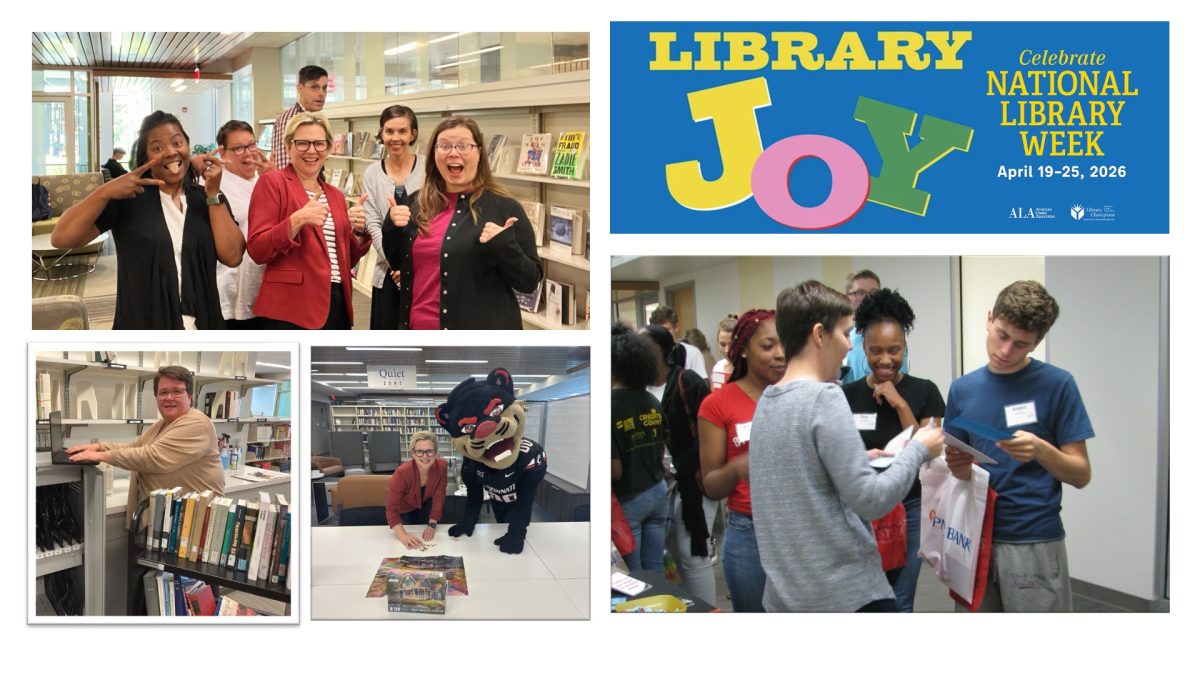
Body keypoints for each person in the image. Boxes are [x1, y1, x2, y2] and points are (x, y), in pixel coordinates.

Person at [750, 281, 943, 612]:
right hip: (842, 595)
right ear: (819, 335)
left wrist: (856, 459)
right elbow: (871, 501)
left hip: (788, 596)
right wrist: (917, 449)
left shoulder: (768, 399)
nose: (848, 347)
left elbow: (798, 475)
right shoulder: (826, 396)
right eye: (845, 334)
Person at [944, 280, 1093, 612]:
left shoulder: (1058, 385)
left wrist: (1041, 450)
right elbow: (956, 466)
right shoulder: (963, 389)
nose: (1006, 351)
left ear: (1037, 342)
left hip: (1033, 539)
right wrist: (957, 466)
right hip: (973, 536)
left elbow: (1081, 474)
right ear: (989, 318)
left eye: (1021, 344)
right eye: (1001, 335)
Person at [52, 111, 245, 329]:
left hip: (204, 322)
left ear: (188, 147)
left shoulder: (206, 198)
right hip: (145, 324)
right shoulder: (129, 199)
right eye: (157, 148)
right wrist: (104, 191)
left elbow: (233, 256)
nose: (171, 152)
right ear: (146, 157)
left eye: (177, 142)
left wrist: (213, 194)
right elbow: (62, 237)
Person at [841, 288, 945, 612]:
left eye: (894, 350)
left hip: (909, 507)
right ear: (863, 349)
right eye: (876, 351)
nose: (885, 359)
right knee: (862, 599)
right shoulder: (845, 395)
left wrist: (899, 403)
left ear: (905, 347)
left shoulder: (924, 391)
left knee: (900, 600)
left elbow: (930, 449)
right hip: (861, 510)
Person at [383, 116, 541, 329]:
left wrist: (504, 245)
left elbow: (529, 281)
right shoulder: (416, 203)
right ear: (434, 154)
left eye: (464, 146)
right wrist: (392, 226)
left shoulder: (504, 208)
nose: (453, 153)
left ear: (479, 153)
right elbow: (397, 262)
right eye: (444, 146)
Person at [247, 112, 371, 329]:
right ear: (289, 146)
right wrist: (296, 220)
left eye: (319, 144)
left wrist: (359, 232)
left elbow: (345, 260)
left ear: (329, 148)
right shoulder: (273, 183)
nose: (312, 151)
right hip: (292, 306)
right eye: (302, 143)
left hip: (337, 302)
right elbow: (257, 249)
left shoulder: (336, 195)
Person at [696, 309, 782, 612]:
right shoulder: (717, 404)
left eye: (785, 344)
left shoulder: (797, 393)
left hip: (798, 528)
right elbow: (712, 486)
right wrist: (738, 468)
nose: (780, 355)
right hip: (749, 533)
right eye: (768, 346)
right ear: (743, 349)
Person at [66, 366, 224, 527]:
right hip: (170, 520)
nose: (169, 397)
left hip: (195, 525)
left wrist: (101, 456)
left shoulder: (197, 423)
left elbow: (153, 457)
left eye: (177, 391)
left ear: (190, 396)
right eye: (163, 392)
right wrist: (99, 447)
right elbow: (134, 446)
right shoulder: (162, 424)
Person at [643, 325, 716, 606]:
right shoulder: (638, 388)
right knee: (672, 550)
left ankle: (707, 612)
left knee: (691, 552)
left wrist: (676, 468)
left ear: (661, 351)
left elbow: (709, 433)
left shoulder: (688, 381)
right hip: (659, 485)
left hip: (692, 481)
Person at [361, 105, 426, 329]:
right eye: (389, 131)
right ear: (381, 133)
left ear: (413, 134)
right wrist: (396, 265)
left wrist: (411, 267)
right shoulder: (372, 173)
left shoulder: (429, 167)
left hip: (424, 273)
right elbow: (373, 224)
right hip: (388, 273)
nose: (395, 137)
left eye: (402, 131)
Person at [612, 323, 670, 573]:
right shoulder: (653, 402)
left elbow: (615, 472)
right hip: (658, 492)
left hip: (630, 499)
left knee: (635, 577)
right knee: (655, 569)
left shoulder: (610, 406)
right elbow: (659, 452)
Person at [213, 120, 273, 329]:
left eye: (251, 145)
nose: (248, 153)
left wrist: (273, 180)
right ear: (222, 153)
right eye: (238, 148)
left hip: (265, 287)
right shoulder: (214, 184)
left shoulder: (265, 178)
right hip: (231, 290)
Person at [843, 269, 909, 383]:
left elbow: (901, 382)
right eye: (860, 292)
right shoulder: (845, 339)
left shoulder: (894, 337)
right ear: (848, 297)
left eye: (873, 293)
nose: (868, 298)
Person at [386, 431, 447, 550]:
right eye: (419, 451)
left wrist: (432, 525)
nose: (425, 456)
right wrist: (403, 536)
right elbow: (391, 509)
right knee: (404, 546)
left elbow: (439, 496)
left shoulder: (442, 466)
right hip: (403, 508)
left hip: (425, 505)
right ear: (413, 453)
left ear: (435, 453)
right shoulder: (402, 473)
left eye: (429, 451)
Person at [271, 65, 327, 170]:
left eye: (324, 88)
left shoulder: (314, 119)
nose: (321, 94)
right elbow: (284, 168)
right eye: (314, 87)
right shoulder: (291, 120)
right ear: (300, 89)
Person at [649, 306, 708, 382]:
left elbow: (701, 385)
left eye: (666, 330)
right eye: (658, 331)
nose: (662, 335)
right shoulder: (651, 355)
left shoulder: (692, 353)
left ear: (676, 327)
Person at [710, 314, 738, 389]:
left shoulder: (751, 370)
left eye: (731, 345)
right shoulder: (718, 367)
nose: (727, 350)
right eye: (722, 344)